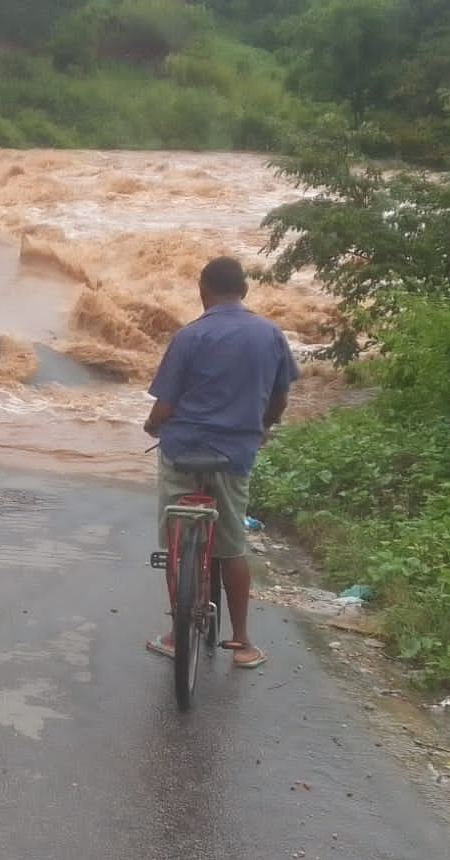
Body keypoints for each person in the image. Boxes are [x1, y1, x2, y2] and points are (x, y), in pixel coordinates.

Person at [142, 257, 300, 669]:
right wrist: (264, 425)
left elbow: (165, 407)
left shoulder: (190, 336)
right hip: (234, 453)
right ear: (244, 290)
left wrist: (152, 426)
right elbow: (280, 398)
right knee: (231, 547)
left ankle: (178, 635)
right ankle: (242, 641)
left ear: (202, 290)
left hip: (183, 450)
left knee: (179, 542)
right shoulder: (270, 335)